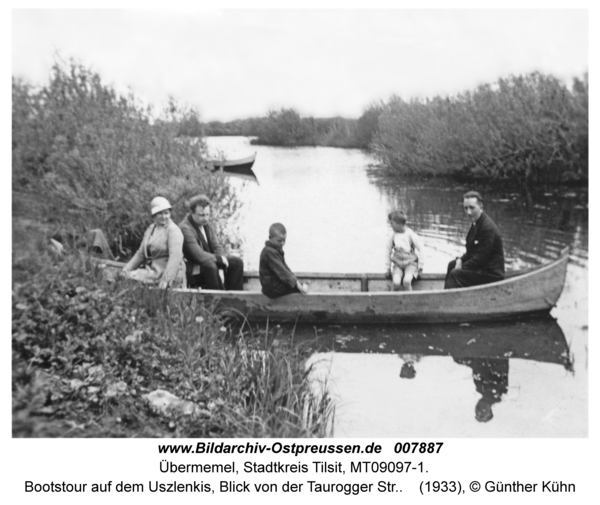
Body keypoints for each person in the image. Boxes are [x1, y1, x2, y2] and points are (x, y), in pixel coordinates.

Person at [178, 194, 244, 290]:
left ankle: (235, 297)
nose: (206, 218)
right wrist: (220, 260)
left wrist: (221, 267)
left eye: (208, 214)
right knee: (211, 267)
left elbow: (217, 247)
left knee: (236, 262)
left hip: (209, 262)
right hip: (193, 270)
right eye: (202, 215)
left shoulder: (207, 225)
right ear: (191, 212)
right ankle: (219, 300)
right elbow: (198, 255)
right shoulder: (185, 228)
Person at [444, 191, 505, 289]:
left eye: (472, 208)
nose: (468, 212)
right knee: (452, 265)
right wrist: (460, 260)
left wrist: (461, 266)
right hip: (481, 269)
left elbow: (480, 259)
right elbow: (471, 252)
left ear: (481, 207)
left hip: (491, 274)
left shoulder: (487, 228)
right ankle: (446, 295)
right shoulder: (476, 223)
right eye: (465, 208)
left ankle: (449, 301)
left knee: (455, 274)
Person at [122, 196, 186, 289]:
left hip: (168, 272)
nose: (164, 217)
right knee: (126, 277)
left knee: (133, 278)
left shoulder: (173, 230)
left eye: (166, 213)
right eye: (160, 214)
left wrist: (166, 280)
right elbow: (140, 254)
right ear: (154, 215)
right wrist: (125, 270)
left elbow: (175, 256)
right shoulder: (151, 229)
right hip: (153, 270)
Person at [259, 223, 308, 298]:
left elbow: (285, 267)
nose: (282, 243)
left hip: (275, 284)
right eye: (279, 241)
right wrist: (295, 283)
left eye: (284, 240)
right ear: (270, 238)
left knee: (296, 285)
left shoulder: (277, 249)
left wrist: (295, 281)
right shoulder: (268, 252)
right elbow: (282, 271)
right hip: (271, 289)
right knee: (296, 289)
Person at [386, 210, 424, 291]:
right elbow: (388, 252)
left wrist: (421, 267)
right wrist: (388, 268)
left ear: (399, 224)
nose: (391, 226)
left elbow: (422, 249)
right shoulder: (393, 236)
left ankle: (410, 301)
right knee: (396, 283)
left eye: (392, 223)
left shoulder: (411, 235)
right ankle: (391, 300)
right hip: (398, 265)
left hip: (410, 264)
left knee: (406, 281)